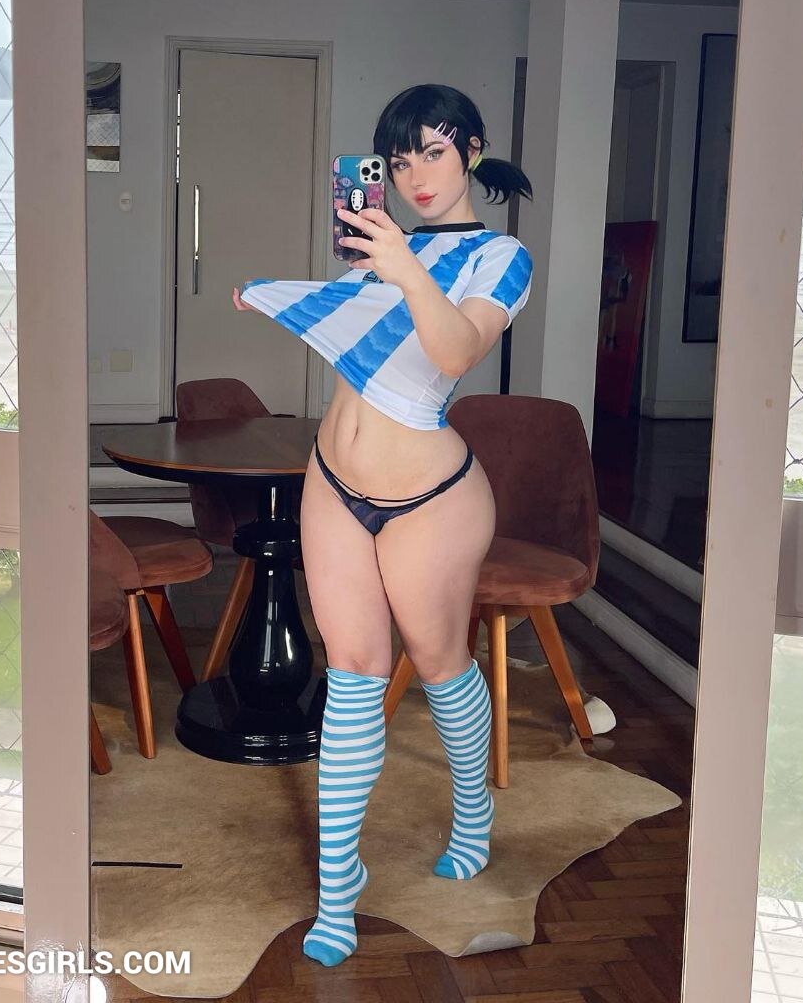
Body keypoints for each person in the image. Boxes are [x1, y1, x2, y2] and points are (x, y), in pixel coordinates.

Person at [232, 83, 534, 968]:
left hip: (431, 498)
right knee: (354, 676)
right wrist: (278, 295)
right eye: (398, 162)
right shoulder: (374, 254)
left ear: (470, 151)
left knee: (439, 664)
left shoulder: (499, 256)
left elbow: (453, 350)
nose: (414, 177)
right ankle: (339, 890)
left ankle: (472, 810)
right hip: (331, 481)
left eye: (432, 153)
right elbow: (353, 340)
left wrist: (402, 264)